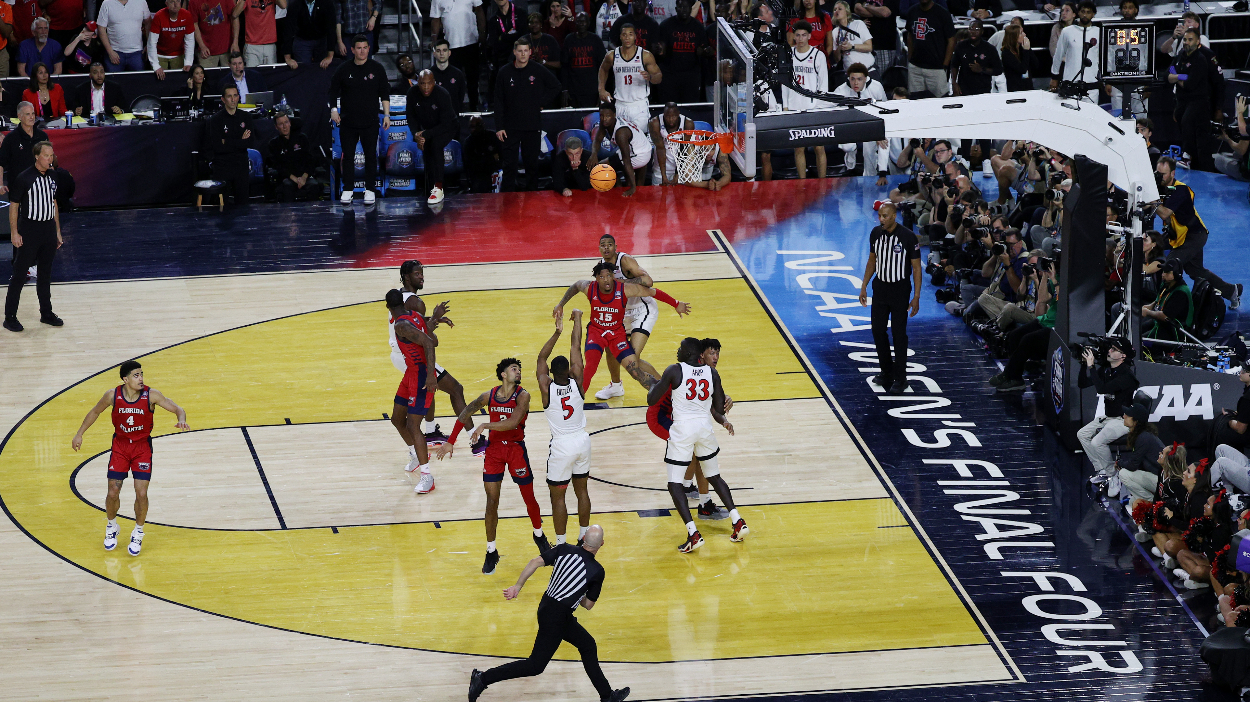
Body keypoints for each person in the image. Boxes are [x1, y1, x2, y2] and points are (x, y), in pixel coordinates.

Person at [466, 525, 629, 702]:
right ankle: (482, 679)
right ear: (602, 544)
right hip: (557, 618)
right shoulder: (597, 570)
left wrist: (518, 586)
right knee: (535, 665)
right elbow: (588, 605)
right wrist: (579, 594)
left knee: (588, 645)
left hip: (547, 608)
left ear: (583, 539)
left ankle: (607, 696)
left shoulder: (564, 548)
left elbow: (535, 562)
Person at [435, 359, 552, 574]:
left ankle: (539, 535)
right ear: (503, 375)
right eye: (514, 369)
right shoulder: (489, 396)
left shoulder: (523, 395)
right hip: (495, 451)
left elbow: (513, 422)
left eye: (519, 369)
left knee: (529, 497)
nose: (518, 372)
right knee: (491, 501)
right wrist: (451, 440)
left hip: (516, 449)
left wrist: (485, 424)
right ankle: (491, 551)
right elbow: (465, 412)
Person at [69, 361, 189, 557]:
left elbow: (177, 408)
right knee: (113, 491)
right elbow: (95, 412)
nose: (141, 378)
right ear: (125, 379)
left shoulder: (151, 395)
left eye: (141, 374)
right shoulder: (112, 395)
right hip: (121, 446)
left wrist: (181, 419)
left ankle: (138, 532)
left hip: (142, 448)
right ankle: (111, 526)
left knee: (141, 493)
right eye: (136, 375)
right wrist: (79, 434)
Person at [646, 337, 747, 552]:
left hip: (683, 429)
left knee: (675, 483)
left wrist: (655, 385)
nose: (677, 351)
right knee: (714, 476)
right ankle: (737, 520)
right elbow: (719, 407)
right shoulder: (712, 372)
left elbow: (652, 399)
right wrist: (724, 401)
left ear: (688, 353)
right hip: (704, 428)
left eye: (680, 349)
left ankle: (693, 533)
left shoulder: (675, 370)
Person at [552, 261, 690, 394]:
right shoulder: (589, 287)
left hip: (616, 334)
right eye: (602, 277)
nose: (606, 280)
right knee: (590, 368)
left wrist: (676, 303)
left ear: (613, 276)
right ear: (596, 279)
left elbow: (652, 292)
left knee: (635, 370)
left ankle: (665, 394)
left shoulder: (624, 289)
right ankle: (576, 401)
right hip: (597, 332)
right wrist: (561, 304)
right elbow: (576, 285)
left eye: (609, 276)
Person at [390, 260, 478, 453]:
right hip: (411, 356)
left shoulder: (400, 296)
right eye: (417, 274)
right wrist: (434, 320)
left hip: (399, 354)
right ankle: (476, 442)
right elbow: (428, 339)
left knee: (427, 392)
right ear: (406, 276)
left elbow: (411, 324)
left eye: (422, 273)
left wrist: (433, 319)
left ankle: (429, 433)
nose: (421, 277)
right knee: (455, 389)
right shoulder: (416, 302)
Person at [536, 312, 593, 546]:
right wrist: (577, 319)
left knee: (557, 496)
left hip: (562, 445)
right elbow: (576, 346)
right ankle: (584, 535)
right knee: (582, 491)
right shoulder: (577, 381)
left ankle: (560, 544)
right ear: (569, 370)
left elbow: (541, 359)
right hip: (582, 440)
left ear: (551, 373)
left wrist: (556, 332)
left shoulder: (546, 386)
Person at [1155, 156, 1242, 307]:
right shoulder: (1160, 186)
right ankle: (1231, 291)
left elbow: (1164, 213)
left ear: (1173, 173)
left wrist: (1150, 201)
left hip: (1193, 236)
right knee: (1196, 272)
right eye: (1158, 173)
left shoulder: (1180, 190)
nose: (1160, 177)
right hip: (1178, 234)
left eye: (1163, 174)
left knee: (1170, 266)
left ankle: (1162, 304)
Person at [858, 202, 922, 393]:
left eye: (885, 216)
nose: (881, 219)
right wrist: (863, 286)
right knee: (877, 330)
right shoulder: (875, 233)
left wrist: (916, 296)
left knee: (898, 333)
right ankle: (886, 371)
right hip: (880, 288)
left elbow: (917, 268)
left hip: (900, 290)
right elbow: (872, 260)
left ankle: (901, 378)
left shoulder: (908, 237)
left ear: (894, 216)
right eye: (880, 216)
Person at [590, 233, 660, 399]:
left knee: (632, 359)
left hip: (642, 309)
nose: (606, 248)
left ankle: (664, 385)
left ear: (615, 247)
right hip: (622, 313)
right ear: (599, 248)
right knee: (610, 348)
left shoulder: (625, 261)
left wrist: (623, 284)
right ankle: (616, 386)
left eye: (609, 245)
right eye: (603, 245)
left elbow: (648, 281)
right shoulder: (601, 268)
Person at [384, 288, 440, 493]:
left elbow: (428, 343)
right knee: (397, 419)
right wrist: (434, 320)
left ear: (388, 307)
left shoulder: (401, 325)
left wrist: (431, 374)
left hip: (421, 376)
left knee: (414, 425)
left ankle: (427, 476)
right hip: (411, 373)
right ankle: (415, 454)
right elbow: (432, 338)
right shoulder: (414, 315)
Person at [3, 139, 61, 333]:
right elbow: (14, 206)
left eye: (51, 155)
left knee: (45, 274)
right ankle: (9, 317)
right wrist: (14, 232)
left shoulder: (53, 177)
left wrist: (58, 231)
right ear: (37, 156)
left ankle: (46, 313)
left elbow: (54, 204)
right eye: (46, 155)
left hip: (48, 230)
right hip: (29, 230)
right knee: (20, 274)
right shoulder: (25, 178)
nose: (50, 159)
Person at [493, 36, 561, 191]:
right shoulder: (504, 72)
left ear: (530, 52)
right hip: (510, 127)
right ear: (514, 52)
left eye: (526, 51)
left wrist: (541, 102)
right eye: (520, 51)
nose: (523, 54)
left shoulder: (537, 69)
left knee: (532, 165)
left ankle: (532, 200)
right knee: (509, 166)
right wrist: (499, 126)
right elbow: (498, 101)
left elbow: (556, 86)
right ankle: (508, 199)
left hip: (532, 126)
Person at [329, 34, 390, 205]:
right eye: (358, 48)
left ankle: (369, 190)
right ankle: (347, 189)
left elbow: (384, 93)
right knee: (348, 157)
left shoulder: (377, 68)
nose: (362, 51)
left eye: (365, 48)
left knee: (371, 156)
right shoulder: (343, 69)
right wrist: (333, 110)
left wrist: (386, 115)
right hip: (348, 122)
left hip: (370, 121)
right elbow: (332, 91)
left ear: (368, 49)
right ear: (352, 50)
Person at [1076, 337, 1140, 484]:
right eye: (1110, 348)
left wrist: (1091, 367)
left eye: (1114, 349)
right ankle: (1102, 470)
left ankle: (1113, 475)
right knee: (1082, 434)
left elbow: (1102, 389)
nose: (1109, 351)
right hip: (1109, 417)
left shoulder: (1126, 375)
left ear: (1123, 356)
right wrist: (1083, 365)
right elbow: (1082, 383)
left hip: (1124, 419)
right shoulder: (1107, 370)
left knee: (1097, 442)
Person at [783, 21, 828, 179]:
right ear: (793, 36)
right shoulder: (789, 55)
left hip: (814, 107)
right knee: (798, 148)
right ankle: (802, 182)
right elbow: (785, 83)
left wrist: (821, 107)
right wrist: (786, 106)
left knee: (819, 147)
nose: (800, 38)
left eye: (803, 35)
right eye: (797, 35)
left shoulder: (818, 55)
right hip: (795, 106)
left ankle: (822, 182)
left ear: (809, 36)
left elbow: (823, 85)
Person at [406, 69, 458, 205]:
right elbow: (410, 117)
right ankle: (430, 187)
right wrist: (416, 134)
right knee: (427, 149)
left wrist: (424, 135)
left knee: (435, 144)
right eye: (422, 83)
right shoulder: (412, 93)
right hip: (427, 129)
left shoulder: (442, 94)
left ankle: (439, 187)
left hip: (448, 127)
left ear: (434, 82)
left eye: (429, 83)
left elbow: (446, 124)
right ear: (418, 83)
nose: (426, 87)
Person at [597, 23, 661, 130]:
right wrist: (601, 89)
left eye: (630, 34)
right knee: (620, 141)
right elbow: (603, 69)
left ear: (635, 36)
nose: (627, 37)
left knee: (639, 141)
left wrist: (650, 77)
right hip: (620, 105)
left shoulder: (645, 55)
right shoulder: (612, 55)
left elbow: (659, 77)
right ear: (620, 36)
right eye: (624, 34)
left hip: (639, 105)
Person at [1170, 28, 1215, 172]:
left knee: (1188, 122)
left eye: (1190, 40)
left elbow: (1190, 84)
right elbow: (1169, 71)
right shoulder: (1180, 55)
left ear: (1197, 41)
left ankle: (1187, 156)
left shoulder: (1200, 59)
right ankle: (1190, 158)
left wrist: (1176, 77)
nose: (1186, 42)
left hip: (1198, 100)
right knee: (1180, 119)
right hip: (1182, 100)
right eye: (1185, 39)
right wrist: (1180, 76)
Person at [586, 100, 652, 197]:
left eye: (608, 116)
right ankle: (622, 186)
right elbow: (597, 140)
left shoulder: (620, 133)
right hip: (641, 147)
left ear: (614, 115)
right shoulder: (605, 123)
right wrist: (594, 154)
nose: (604, 119)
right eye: (601, 116)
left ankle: (621, 189)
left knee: (601, 168)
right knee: (609, 163)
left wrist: (633, 187)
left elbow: (627, 160)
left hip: (640, 154)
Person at [832, 62, 886, 177]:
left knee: (869, 151)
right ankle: (851, 153)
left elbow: (884, 111)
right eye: (853, 79)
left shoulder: (876, 87)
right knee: (848, 146)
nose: (856, 83)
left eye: (859, 79)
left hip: (870, 126)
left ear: (865, 79)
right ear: (848, 78)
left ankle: (870, 177)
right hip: (849, 125)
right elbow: (834, 115)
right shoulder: (840, 91)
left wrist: (879, 133)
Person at [205, 87, 255, 206]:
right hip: (223, 166)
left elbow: (249, 143)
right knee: (223, 207)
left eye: (235, 96)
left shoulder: (246, 117)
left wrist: (227, 141)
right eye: (229, 96)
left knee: (243, 206)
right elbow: (217, 147)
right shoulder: (215, 119)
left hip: (241, 165)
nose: (233, 99)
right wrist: (240, 141)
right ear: (223, 99)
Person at [430, 0, 483, 109]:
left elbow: (480, 10)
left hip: (471, 42)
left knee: (473, 78)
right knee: (453, 80)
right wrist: (434, 40)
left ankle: (474, 107)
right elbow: (435, 19)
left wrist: (482, 33)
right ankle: (455, 109)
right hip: (451, 45)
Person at [655, 0, 705, 103]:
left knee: (690, 109)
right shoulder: (666, 25)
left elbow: (704, 48)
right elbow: (660, 50)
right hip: (670, 75)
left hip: (691, 76)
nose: (683, 10)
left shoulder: (698, 27)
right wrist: (660, 50)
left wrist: (703, 50)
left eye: (686, 7)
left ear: (691, 8)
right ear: (676, 9)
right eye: (681, 7)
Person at [904, 0, 954, 97]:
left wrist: (944, 65)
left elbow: (951, 40)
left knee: (940, 103)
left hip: (936, 68)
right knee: (916, 101)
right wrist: (910, 59)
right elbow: (910, 35)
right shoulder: (912, 11)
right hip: (915, 67)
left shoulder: (942, 13)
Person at [1049, 0, 1098, 98]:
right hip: (1070, 84)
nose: (1085, 15)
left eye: (1088, 12)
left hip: (1092, 85)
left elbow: (1105, 57)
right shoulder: (1067, 32)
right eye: (1083, 11)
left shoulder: (1099, 32)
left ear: (1093, 14)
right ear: (1078, 13)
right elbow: (1058, 55)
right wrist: (1054, 77)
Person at [269, 112, 320, 201]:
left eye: (286, 122)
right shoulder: (274, 144)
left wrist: (304, 177)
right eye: (281, 124)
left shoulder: (302, 138)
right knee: (287, 186)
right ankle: (289, 214)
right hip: (288, 177)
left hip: (305, 176)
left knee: (314, 186)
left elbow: (311, 160)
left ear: (290, 123)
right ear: (276, 127)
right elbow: (278, 166)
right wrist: (295, 179)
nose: (284, 126)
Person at [0, 101, 49, 193]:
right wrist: (0, 184)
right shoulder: (11, 138)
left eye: (33, 113)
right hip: (18, 187)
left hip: (40, 185)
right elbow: (1, 163)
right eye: (27, 114)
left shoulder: (42, 136)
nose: (31, 117)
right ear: (19, 117)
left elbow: (50, 159)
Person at [1141, 259, 1193, 342]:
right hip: (1161, 324)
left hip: (1174, 330)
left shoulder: (1180, 292)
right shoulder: (1166, 284)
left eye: (1167, 272)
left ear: (1175, 274)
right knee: (1136, 331)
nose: (1163, 275)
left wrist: (1147, 312)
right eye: (1163, 271)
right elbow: (1158, 301)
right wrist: (1148, 307)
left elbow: (1165, 316)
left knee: (1141, 343)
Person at [562, 12, 605, 108]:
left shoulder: (595, 40)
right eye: (578, 21)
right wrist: (565, 89)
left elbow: (603, 67)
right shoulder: (569, 40)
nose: (581, 24)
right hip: (573, 90)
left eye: (584, 21)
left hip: (592, 90)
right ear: (575, 23)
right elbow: (564, 66)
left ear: (588, 23)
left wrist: (601, 89)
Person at [649, 101, 695, 186]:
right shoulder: (654, 123)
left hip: (681, 165)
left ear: (678, 114)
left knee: (680, 196)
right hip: (660, 166)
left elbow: (683, 148)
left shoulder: (688, 123)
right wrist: (664, 175)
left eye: (673, 116)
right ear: (663, 114)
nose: (670, 119)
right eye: (667, 116)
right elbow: (660, 148)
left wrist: (678, 173)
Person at [96, 0, 149, 71]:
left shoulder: (141, 2)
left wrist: (149, 45)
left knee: (138, 81)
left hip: (137, 53)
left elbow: (148, 23)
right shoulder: (107, 3)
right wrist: (110, 51)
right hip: (115, 52)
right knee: (113, 81)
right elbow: (101, 28)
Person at [148, 0, 195, 79]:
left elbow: (189, 41)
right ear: (166, 3)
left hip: (178, 55)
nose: (175, 4)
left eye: (178, 1)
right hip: (160, 55)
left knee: (178, 82)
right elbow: (152, 42)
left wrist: (188, 62)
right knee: (161, 83)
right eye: (172, 1)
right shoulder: (159, 16)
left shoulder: (187, 15)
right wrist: (156, 65)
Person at [950, 18, 998, 96]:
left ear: (982, 32)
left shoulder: (989, 48)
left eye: (976, 29)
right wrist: (954, 83)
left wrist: (982, 69)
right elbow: (954, 65)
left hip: (983, 89)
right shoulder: (961, 46)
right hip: (964, 88)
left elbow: (998, 70)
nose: (973, 32)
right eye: (971, 29)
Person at [283, 0, 337, 69]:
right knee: (303, 71)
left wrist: (330, 56)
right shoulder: (295, 4)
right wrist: (288, 58)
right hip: (301, 41)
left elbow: (331, 29)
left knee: (322, 71)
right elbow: (288, 30)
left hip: (322, 41)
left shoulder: (326, 3)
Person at [485, 0, 522, 100]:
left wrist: (503, 37)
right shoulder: (493, 20)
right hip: (502, 60)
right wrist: (512, 37)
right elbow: (494, 43)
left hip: (520, 58)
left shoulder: (520, 13)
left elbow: (523, 37)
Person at [231, 0, 285, 66]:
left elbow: (283, 5)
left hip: (269, 44)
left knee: (270, 74)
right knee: (252, 74)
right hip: (251, 45)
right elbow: (235, 14)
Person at [854, 0, 899, 72]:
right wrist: (877, 13)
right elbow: (857, 8)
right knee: (864, 76)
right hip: (864, 44)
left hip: (884, 45)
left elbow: (885, 13)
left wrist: (866, 6)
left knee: (882, 78)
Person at [190, 0, 237, 67]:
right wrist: (202, 45)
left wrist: (235, 42)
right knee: (206, 76)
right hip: (206, 52)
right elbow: (194, 24)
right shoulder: (194, 2)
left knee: (230, 76)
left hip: (227, 49)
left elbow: (234, 18)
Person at [830, 0, 872, 73]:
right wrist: (840, 48)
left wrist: (852, 46)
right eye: (835, 9)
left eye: (840, 9)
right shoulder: (834, 32)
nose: (837, 11)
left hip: (868, 69)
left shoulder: (858, 24)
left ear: (846, 11)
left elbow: (869, 47)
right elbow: (837, 59)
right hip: (850, 73)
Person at [1216, 95, 1249, 183]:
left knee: (1218, 158)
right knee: (1234, 154)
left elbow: (1241, 149)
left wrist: (1240, 113)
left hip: (1246, 173)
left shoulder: (1246, 128)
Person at [429, 39, 468, 109]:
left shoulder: (458, 74)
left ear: (449, 53)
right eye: (438, 51)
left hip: (453, 115)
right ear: (434, 54)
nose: (441, 53)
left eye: (444, 50)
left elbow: (461, 96)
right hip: (433, 116)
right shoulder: (429, 75)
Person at [525, 11, 562, 79]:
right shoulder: (523, 40)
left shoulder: (550, 40)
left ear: (541, 24)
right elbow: (513, 62)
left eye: (537, 22)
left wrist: (542, 62)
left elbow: (559, 64)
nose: (534, 25)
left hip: (547, 78)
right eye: (531, 23)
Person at [998, 22, 1032, 93]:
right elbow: (1022, 69)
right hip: (1015, 89)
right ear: (1014, 36)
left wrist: (1028, 49)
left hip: (1028, 85)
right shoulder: (1007, 53)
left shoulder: (1022, 48)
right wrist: (1026, 51)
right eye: (1021, 33)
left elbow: (1036, 64)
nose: (1024, 35)